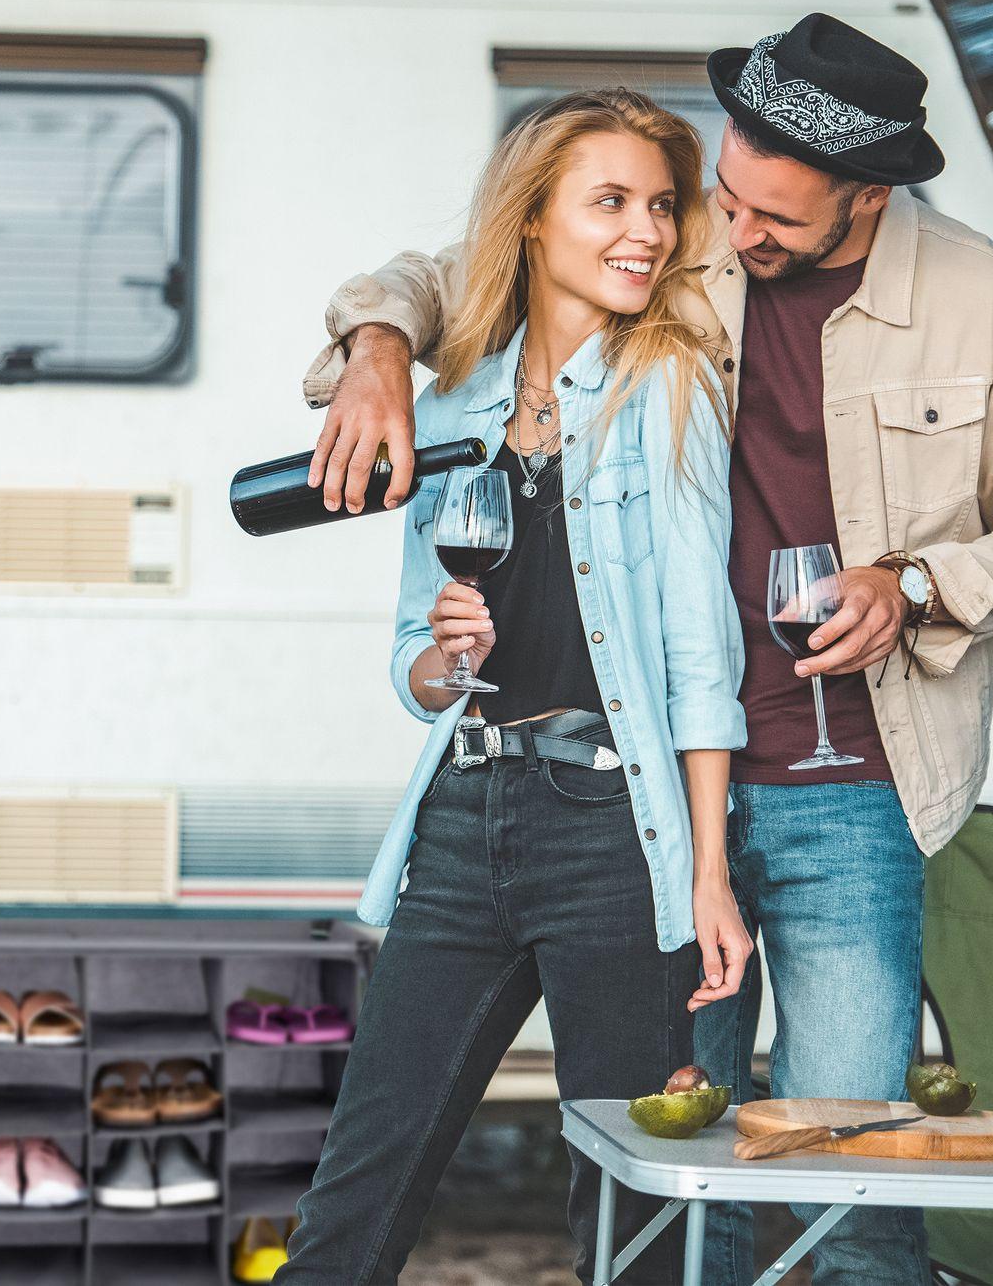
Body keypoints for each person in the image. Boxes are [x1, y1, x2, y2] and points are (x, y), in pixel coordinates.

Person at [299, 14, 993, 1286]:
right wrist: (378, 350)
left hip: (848, 781)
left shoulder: (989, 302)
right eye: (723, 193)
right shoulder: (680, 237)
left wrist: (919, 584)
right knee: (676, 1179)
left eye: (773, 217)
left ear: (868, 195)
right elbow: (458, 272)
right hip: (648, 788)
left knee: (849, 1173)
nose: (724, 232)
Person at [276, 89, 751, 1285]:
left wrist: (706, 873)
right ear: (532, 219)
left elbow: (702, 655)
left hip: (611, 826)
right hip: (463, 813)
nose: (645, 231)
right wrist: (449, 654)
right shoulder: (449, 407)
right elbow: (415, 668)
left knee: (631, 1208)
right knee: (361, 1180)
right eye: (610, 202)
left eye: (660, 206)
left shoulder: (669, 386)